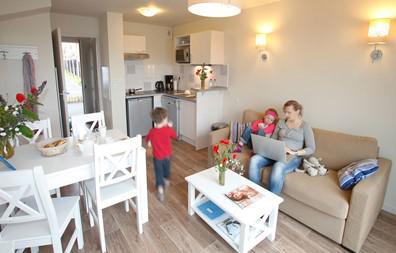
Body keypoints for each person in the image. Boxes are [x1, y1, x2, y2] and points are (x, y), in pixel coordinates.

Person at [248, 100, 315, 195]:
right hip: (275, 152)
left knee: (278, 167)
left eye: (289, 112)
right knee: (254, 159)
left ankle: (271, 204)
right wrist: (266, 146)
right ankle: (255, 195)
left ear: (298, 111)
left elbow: (311, 148)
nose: (286, 115)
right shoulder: (281, 122)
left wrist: (294, 152)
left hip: (292, 156)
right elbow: (273, 139)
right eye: (285, 112)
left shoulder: (305, 126)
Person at [146, 107, 177, 201]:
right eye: (166, 118)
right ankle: (166, 180)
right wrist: (170, 127)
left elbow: (147, 140)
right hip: (167, 156)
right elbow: (175, 136)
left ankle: (160, 189)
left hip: (157, 158)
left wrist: (150, 142)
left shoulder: (152, 131)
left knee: (158, 173)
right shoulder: (167, 129)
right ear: (163, 120)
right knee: (166, 170)